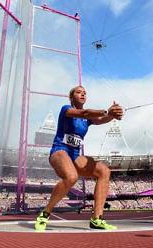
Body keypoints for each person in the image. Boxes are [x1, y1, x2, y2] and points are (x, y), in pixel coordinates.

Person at [35, 85, 123, 231]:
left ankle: (97, 219)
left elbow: (101, 119)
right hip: (60, 150)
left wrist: (113, 115)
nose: (83, 94)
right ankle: (45, 213)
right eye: (79, 92)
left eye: (85, 93)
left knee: (104, 171)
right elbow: (86, 113)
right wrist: (108, 111)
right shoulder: (66, 109)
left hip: (75, 155)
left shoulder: (88, 120)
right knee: (71, 176)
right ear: (71, 97)